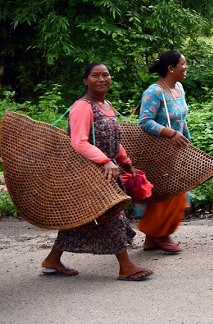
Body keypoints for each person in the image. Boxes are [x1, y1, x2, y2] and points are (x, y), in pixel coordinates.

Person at [39, 62, 153, 281]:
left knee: (84, 219)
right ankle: (126, 267)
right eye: (95, 75)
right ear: (85, 80)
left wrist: (126, 163)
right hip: (90, 172)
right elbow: (78, 142)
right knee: (112, 215)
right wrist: (104, 161)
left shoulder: (106, 105)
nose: (101, 79)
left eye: (106, 75)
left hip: (106, 171)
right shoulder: (82, 106)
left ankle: (52, 260)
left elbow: (113, 140)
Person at [137, 50, 191, 253]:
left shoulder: (179, 88)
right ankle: (161, 235)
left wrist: (188, 144)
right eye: (183, 64)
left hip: (176, 151)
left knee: (177, 194)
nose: (186, 67)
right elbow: (144, 122)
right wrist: (169, 133)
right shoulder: (154, 92)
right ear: (171, 68)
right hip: (157, 152)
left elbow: (182, 120)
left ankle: (153, 238)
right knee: (165, 195)